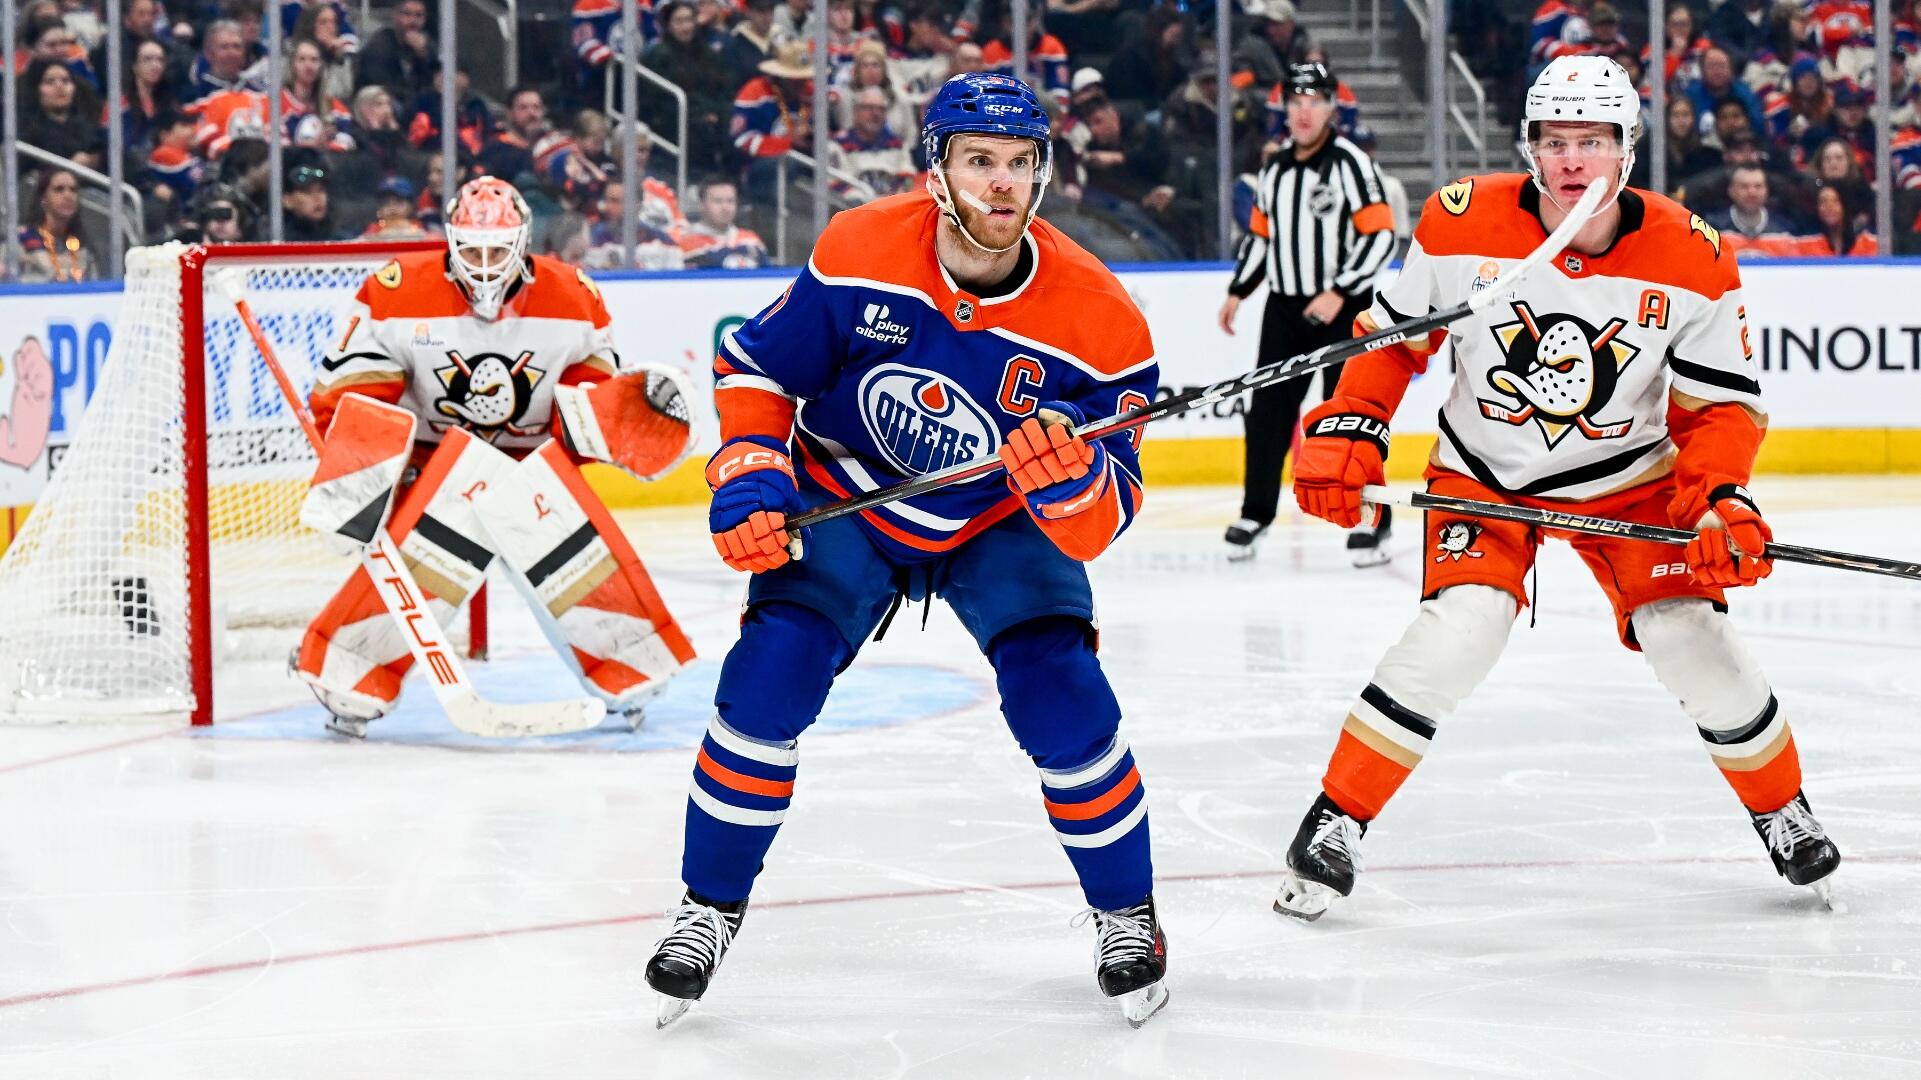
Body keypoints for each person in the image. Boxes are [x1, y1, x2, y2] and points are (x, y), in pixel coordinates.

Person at [642, 72, 1169, 1030]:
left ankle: (1126, 913)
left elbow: (1108, 513)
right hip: (848, 491)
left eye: (1020, 162)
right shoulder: (860, 248)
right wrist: (752, 471)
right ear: (936, 171)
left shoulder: (1102, 320)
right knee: (767, 681)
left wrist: (1069, 485)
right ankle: (707, 907)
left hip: (998, 517)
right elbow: (756, 367)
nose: (1002, 183)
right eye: (979, 161)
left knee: (1062, 695)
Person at [1273, 55, 1841, 925]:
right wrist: (1352, 423)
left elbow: (1719, 408)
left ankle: (1782, 809)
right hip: (1485, 477)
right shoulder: (1460, 220)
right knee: (1460, 629)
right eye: (1554, 140)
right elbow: (1390, 340)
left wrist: (1721, 497)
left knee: (1690, 636)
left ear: (1627, 148)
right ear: (1528, 147)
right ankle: (1335, 818)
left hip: (1628, 484)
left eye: (1593, 140)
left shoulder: (1690, 253)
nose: (1572, 159)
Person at [293, 177, 696, 737]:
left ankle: (631, 669)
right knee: (435, 547)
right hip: (436, 472)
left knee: (578, 573)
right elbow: (354, 399)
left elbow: (586, 407)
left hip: (531, 469)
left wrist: (612, 423)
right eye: (472, 250)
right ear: (450, 241)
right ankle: (351, 676)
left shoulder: (573, 296)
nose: (484, 265)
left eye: (497, 251)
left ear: (522, 243)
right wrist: (360, 484)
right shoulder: (395, 291)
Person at [1217, 62, 1395, 564]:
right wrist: (1238, 291)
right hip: (1285, 308)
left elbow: (1381, 236)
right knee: (1267, 414)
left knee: (1352, 418)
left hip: (1344, 309)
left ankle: (1372, 520)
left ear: (1331, 108)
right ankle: (1255, 514)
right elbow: (1261, 238)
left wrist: (1340, 290)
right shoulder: (1274, 169)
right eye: (1295, 102)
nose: (1304, 112)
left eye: (1314, 101)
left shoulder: (1351, 164)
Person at [15, 168, 98, 283]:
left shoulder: (84, 247)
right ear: (43, 198)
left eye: (73, 190)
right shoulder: (21, 239)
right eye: (59, 189)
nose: (68, 195)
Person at [677, 177, 768, 268]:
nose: (725, 208)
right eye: (718, 201)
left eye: (730, 201)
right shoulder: (683, 241)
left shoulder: (751, 240)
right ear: (701, 205)